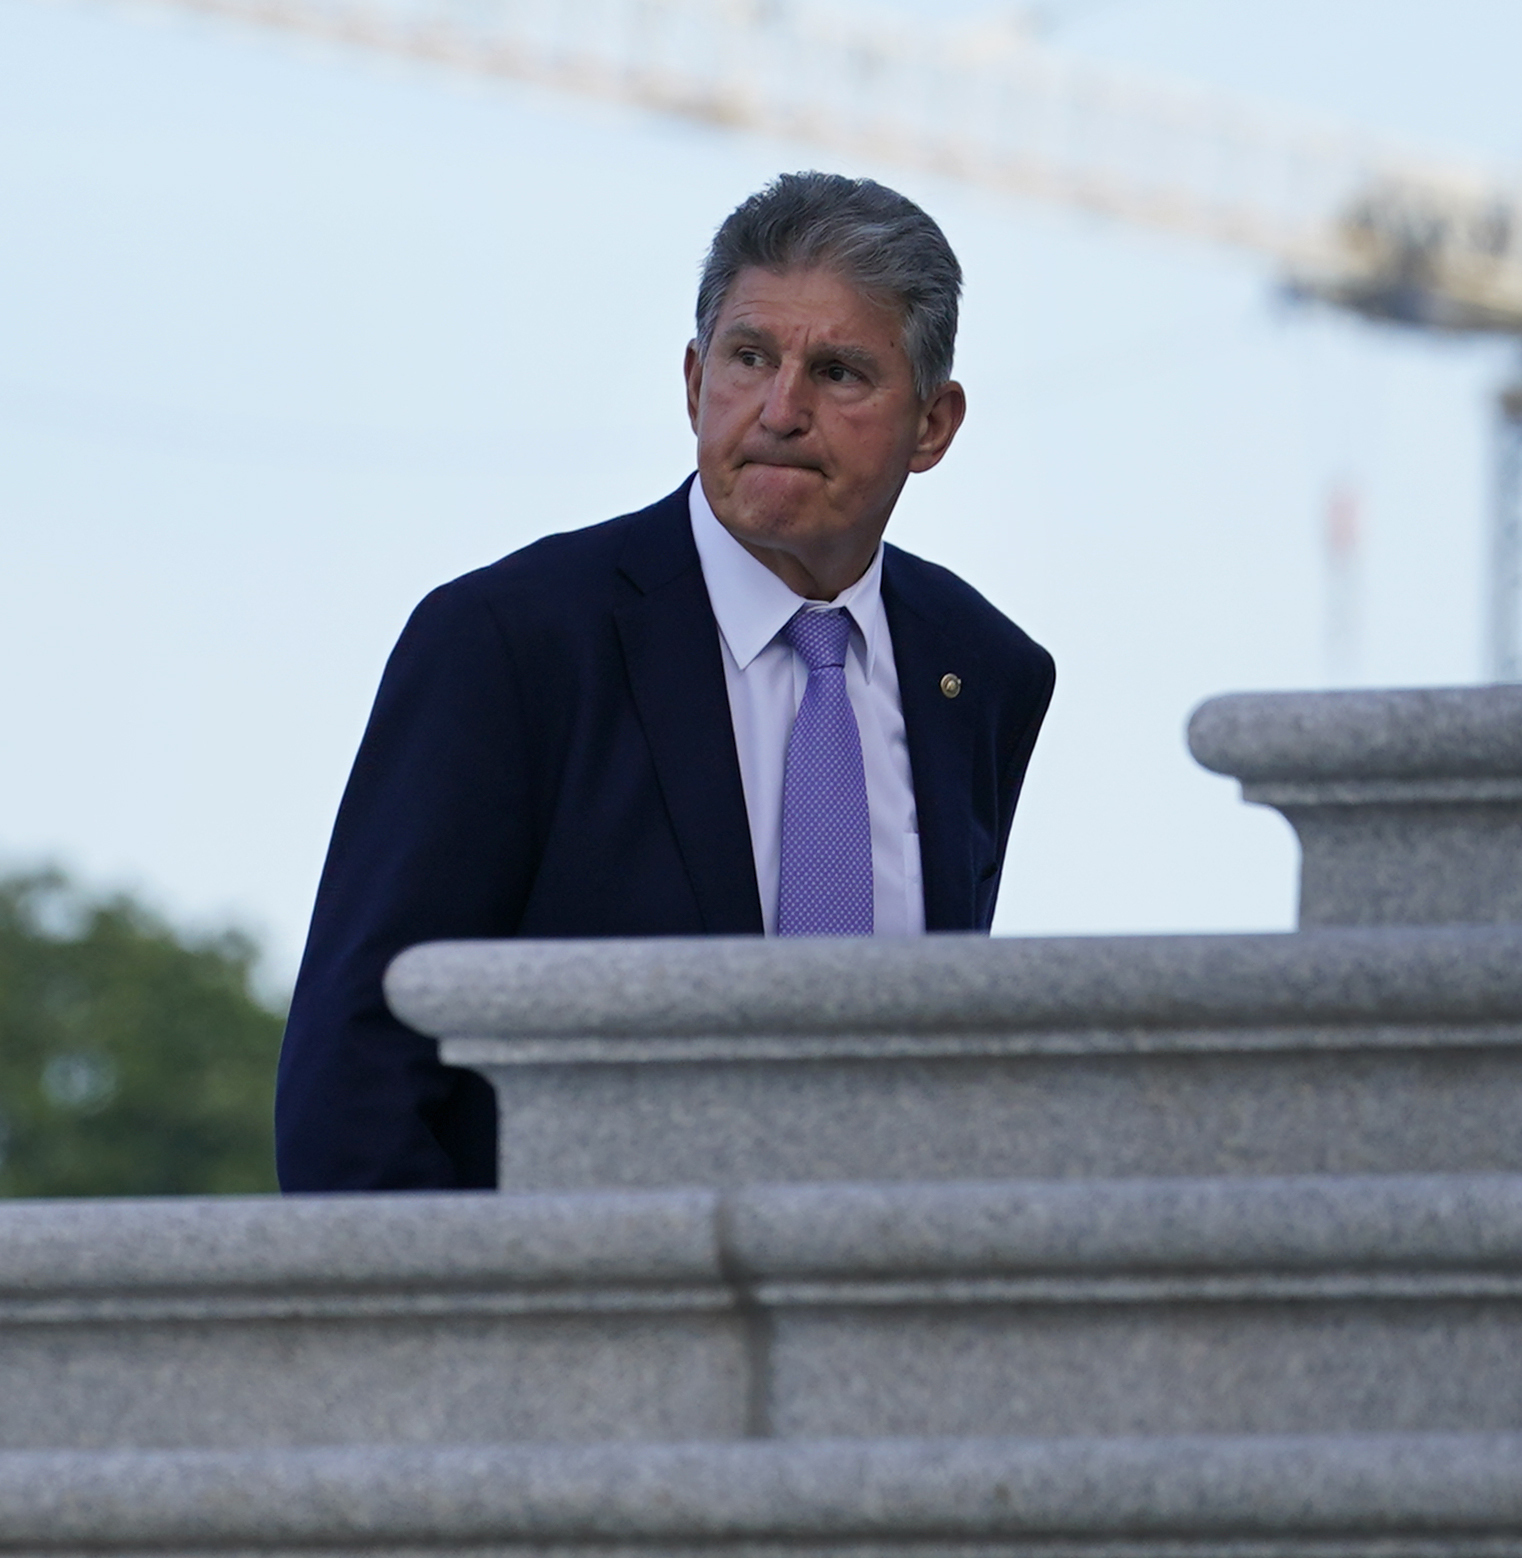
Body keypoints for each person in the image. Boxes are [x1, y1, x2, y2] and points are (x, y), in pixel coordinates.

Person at [276, 173, 1057, 1192]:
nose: (779, 410)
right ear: (693, 382)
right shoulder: (510, 642)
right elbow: (355, 1065)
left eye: (837, 372)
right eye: (747, 359)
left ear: (931, 424)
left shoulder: (982, 670)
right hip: (565, 1320)